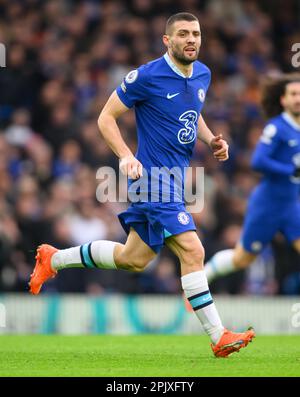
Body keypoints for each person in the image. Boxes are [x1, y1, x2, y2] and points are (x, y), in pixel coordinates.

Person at [29, 12, 254, 357]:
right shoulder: (146, 76)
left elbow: (194, 112)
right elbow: (106, 117)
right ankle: (218, 335)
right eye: (183, 34)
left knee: (132, 259)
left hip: (176, 182)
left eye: (196, 33)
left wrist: (210, 140)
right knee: (193, 250)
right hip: (151, 179)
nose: (191, 39)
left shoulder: (203, 74)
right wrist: (124, 155)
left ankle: (54, 259)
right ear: (168, 40)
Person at [205, 74, 300, 286]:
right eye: (293, 94)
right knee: (242, 258)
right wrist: (290, 170)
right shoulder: (277, 127)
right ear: (283, 100)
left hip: (292, 206)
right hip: (268, 205)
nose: (298, 99)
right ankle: (205, 274)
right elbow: (258, 161)